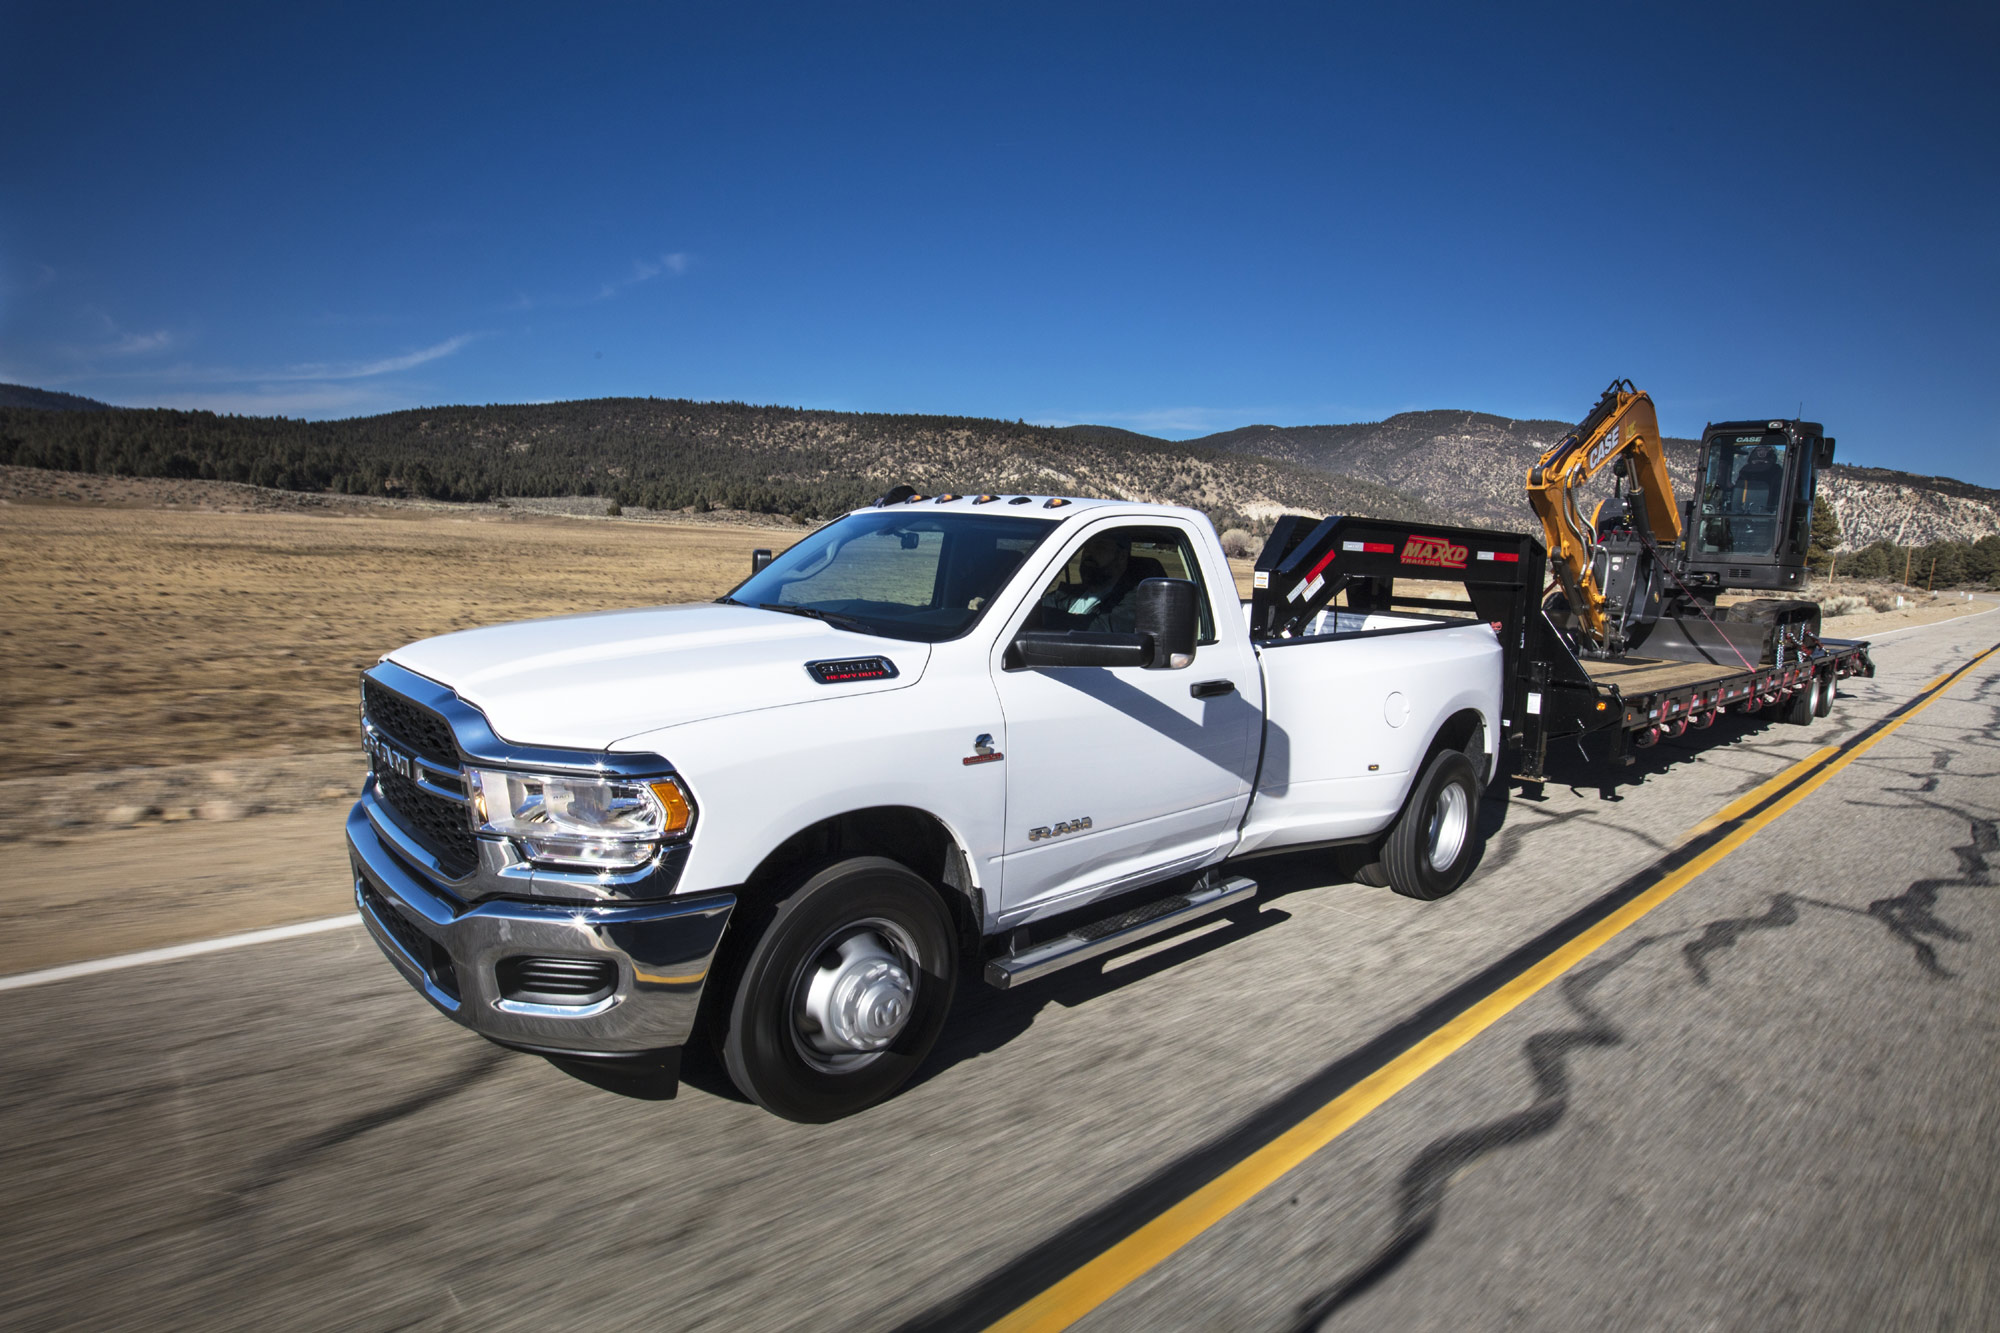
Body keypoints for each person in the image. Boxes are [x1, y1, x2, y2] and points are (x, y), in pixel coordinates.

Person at [1035, 531, 1165, 632]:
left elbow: (1104, 630)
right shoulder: (1066, 594)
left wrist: (1051, 618)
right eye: (1087, 547)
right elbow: (1034, 613)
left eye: (1099, 546)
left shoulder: (1137, 599)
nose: (1089, 553)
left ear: (1121, 556)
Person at [1736, 445, 1786, 513]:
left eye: (1765, 450)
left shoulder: (1776, 470)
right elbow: (1738, 490)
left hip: (1772, 512)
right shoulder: (1745, 470)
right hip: (1744, 511)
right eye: (1759, 450)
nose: (1761, 453)